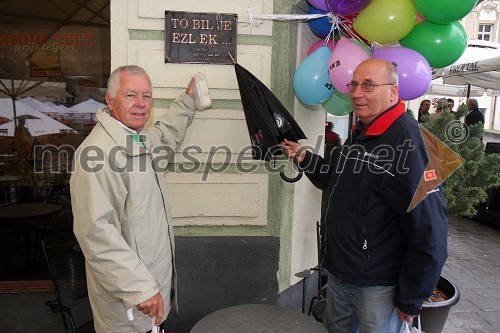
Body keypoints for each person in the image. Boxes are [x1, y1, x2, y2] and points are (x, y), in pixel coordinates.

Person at [281, 59, 448, 333]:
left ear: (393, 92)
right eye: (354, 85)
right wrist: (304, 157)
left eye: (369, 85)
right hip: (340, 273)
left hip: (378, 286)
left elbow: (430, 229)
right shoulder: (364, 131)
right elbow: (338, 181)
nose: (357, 93)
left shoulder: (409, 142)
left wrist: (411, 297)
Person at [70, 65, 199, 333]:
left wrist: (188, 99)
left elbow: (166, 134)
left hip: (150, 295)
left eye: (147, 96)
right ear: (110, 100)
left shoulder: (137, 139)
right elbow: (96, 233)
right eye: (130, 96)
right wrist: (139, 288)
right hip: (129, 303)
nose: (141, 104)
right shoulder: (96, 153)